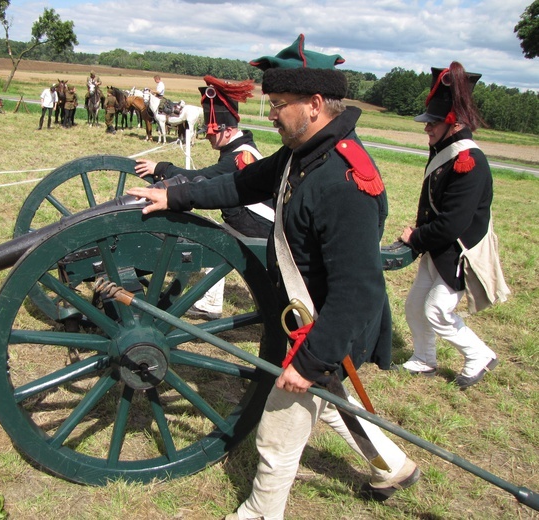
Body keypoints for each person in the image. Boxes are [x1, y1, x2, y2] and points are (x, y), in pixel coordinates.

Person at [127, 34, 419, 519]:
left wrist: (309, 363)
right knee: (330, 399)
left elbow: (357, 292)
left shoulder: (344, 180)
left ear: (316, 104)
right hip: (303, 316)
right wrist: (173, 196)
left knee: (278, 434)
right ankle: (394, 464)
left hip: (327, 328)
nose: (271, 115)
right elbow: (241, 183)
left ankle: (261, 514)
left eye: (280, 105)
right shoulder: (303, 154)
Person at [398, 61, 509, 389]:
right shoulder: (447, 152)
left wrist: (416, 236)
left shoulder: (468, 161)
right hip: (440, 248)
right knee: (415, 304)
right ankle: (424, 358)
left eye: (433, 122)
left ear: (454, 123)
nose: (427, 128)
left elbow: (452, 224)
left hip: (459, 251)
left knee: (436, 310)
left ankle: (479, 355)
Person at [134, 75, 274, 320]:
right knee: (217, 242)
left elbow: (202, 178)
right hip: (245, 219)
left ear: (228, 130)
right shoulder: (234, 150)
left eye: (211, 131)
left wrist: (162, 168)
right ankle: (210, 304)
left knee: (217, 241)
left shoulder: (240, 157)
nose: (207, 136)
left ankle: (212, 304)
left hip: (260, 223)